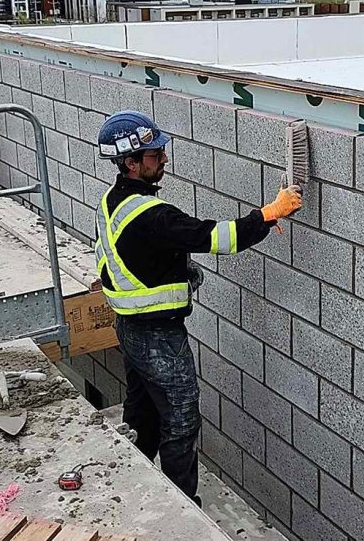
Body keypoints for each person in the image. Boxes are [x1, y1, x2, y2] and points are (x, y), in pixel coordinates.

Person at [94, 110, 301, 504]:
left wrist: (170, 267)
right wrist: (268, 214)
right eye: (155, 155)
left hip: (130, 327)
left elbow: (120, 255)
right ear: (131, 163)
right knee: (181, 420)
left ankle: (136, 485)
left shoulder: (113, 201)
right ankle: (182, 512)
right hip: (157, 335)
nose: (164, 160)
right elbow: (215, 237)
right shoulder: (151, 215)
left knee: (143, 414)